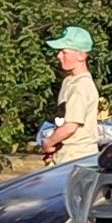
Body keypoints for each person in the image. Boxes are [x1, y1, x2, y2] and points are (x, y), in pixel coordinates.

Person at [42, 26, 100, 166]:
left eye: (64, 52)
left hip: (77, 158)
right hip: (65, 155)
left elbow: (70, 126)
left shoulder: (81, 86)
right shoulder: (69, 82)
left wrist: (48, 143)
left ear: (81, 55)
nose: (59, 56)